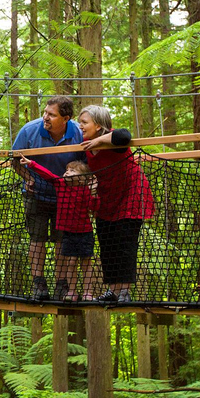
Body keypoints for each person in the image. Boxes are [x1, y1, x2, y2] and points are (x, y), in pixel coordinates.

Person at [79, 104, 155, 303]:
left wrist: (99, 140)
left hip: (131, 194)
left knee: (125, 243)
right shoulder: (84, 145)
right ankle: (113, 290)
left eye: (84, 122)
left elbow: (124, 135)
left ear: (98, 125)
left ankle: (124, 292)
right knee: (107, 243)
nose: (81, 126)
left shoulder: (114, 139)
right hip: (108, 197)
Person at [12, 96, 84, 300]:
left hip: (66, 197)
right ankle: (39, 285)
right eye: (45, 112)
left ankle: (62, 285)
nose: (45, 117)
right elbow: (14, 161)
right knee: (37, 239)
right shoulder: (29, 130)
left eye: (51, 114)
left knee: (62, 241)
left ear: (66, 118)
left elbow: (86, 165)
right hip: (36, 194)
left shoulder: (78, 133)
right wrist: (28, 178)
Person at [19, 155, 99, 301]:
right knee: (71, 262)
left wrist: (93, 193)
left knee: (86, 263)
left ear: (82, 179)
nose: (67, 172)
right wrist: (32, 164)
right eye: (67, 170)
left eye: (73, 171)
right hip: (68, 232)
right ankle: (72, 292)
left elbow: (93, 208)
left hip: (85, 232)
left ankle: (88, 292)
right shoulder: (61, 184)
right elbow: (47, 174)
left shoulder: (85, 190)